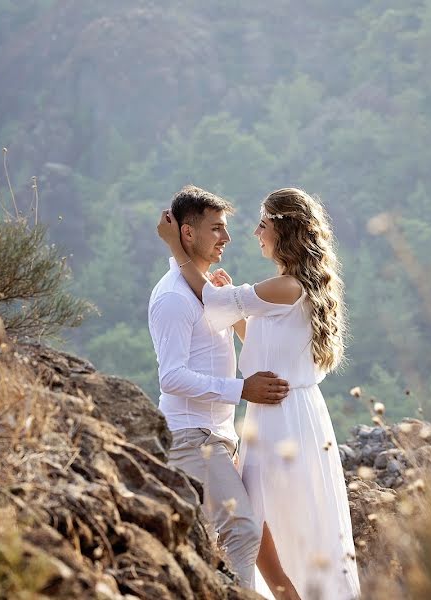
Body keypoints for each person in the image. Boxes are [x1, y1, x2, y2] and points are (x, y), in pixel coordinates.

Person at [158, 187, 360, 600]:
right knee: (266, 517)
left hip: (278, 414)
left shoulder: (285, 286)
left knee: (266, 518)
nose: (254, 233)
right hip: (293, 411)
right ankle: (288, 594)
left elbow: (212, 303)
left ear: (283, 232)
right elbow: (264, 344)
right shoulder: (298, 286)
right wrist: (236, 312)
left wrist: (176, 251)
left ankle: (287, 593)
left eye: (263, 225)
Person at [147, 185, 299, 596]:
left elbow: (240, 329)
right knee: (244, 532)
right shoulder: (174, 299)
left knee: (226, 539)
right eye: (216, 229)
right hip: (192, 435)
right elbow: (171, 377)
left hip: (219, 437)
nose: (227, 238)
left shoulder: (205, 292)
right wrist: (242, 389)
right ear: (188, 234)